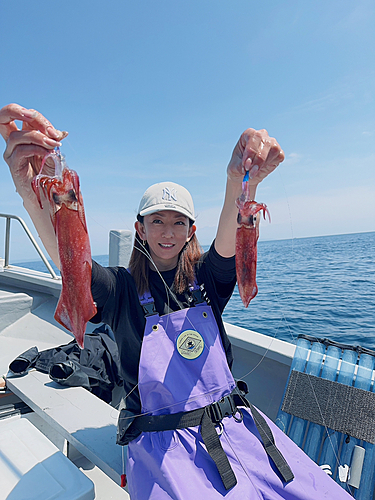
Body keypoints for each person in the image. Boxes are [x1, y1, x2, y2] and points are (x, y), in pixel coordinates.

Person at [0, 103, 351, 499]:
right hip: (163, 447)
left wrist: (237, 179)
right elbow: (73, 263)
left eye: (178, 222)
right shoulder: (119, 289)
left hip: (238, 429)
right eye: (157, 221)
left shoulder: (208, 280)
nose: (167, 232)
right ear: (140, 228)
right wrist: (30, 195)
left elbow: (229, 231)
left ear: (190, 230)